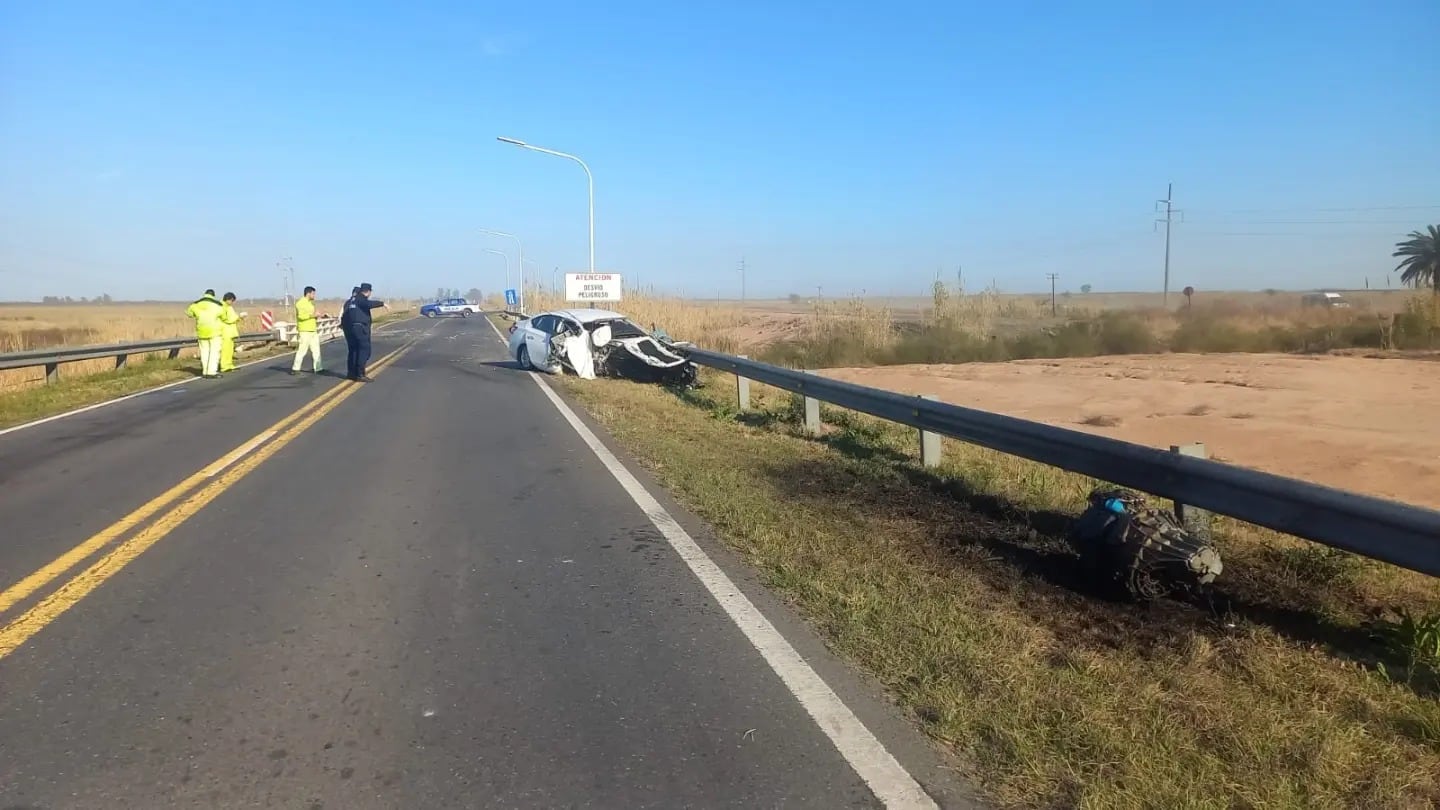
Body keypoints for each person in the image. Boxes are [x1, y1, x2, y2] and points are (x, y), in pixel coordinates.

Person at [342, 282, 385, 381]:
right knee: (365, 351)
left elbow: (345, 317)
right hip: (360, 328)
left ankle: (352, 373)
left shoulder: (350, 302)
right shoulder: (360, 299)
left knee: (354, 351)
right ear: (368, 291)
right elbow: (369, 304)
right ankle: (360, 374)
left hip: (351, 329)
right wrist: (382, 304)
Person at [184, 289, 225, 379]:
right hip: (215, 331)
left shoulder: (195, 304)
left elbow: (189, 313)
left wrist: (198, 315)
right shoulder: (217, 305)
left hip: (201, 331)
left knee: (204, 352)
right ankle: (211, 372)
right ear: (213, 295)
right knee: (214, 352)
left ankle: (205, 371)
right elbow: (224, 316)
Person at [290, 285, 323, 375]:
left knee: (316, 350)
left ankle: (318, 367)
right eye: (313, 294)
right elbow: (301, 316)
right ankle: (296, 368)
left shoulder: (310, 303)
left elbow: (311, 315)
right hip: (304, 330)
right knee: (302, 350)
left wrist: (317, 316)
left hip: (312, 329)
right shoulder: (300, 303)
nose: (314, 296)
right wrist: (313, 315)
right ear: (308, 293)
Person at [218, 292, 244, 373]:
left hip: (230, 331)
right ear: (228, 299)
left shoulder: (229, 307)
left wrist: (240, 318)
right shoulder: (221, 306)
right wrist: (238, 317)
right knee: (225, 350)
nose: (232, 302)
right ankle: (224, 366)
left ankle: (229, 364)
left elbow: (233, 318)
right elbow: (226, 319)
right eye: (232, 300)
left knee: (230, 350)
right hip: (225, 331)